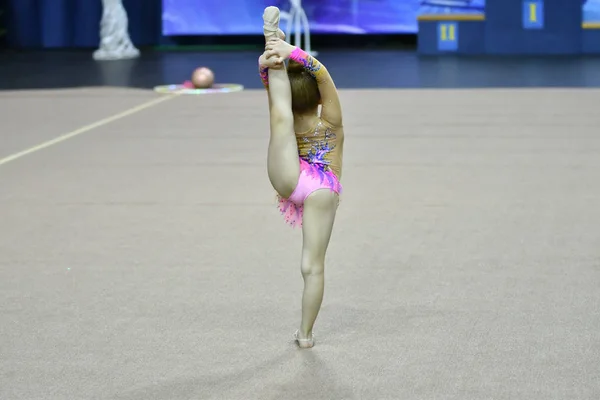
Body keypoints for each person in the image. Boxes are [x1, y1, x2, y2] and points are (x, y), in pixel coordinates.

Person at [258, 6, 345, 348]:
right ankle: (305, 336)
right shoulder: (332, 117)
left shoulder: (287, 114)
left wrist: (271, 61)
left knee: (278, 117)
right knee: (313, 266)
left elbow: (278, 97)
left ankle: (270, 42)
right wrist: (294, 53)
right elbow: (322, 76)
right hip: (322, 188)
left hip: (292, 177)